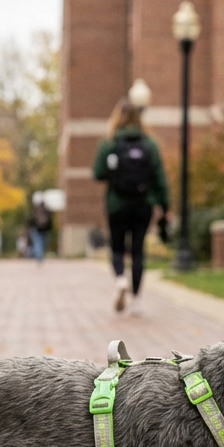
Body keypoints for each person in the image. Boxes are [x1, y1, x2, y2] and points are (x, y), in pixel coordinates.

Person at [93, 98, 170, 315]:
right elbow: (160, 177)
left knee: (117, 248)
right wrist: (165, 205)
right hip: (143, 204)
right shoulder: (149, 144)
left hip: (117, 204)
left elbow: (98, 173)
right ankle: (136, 300)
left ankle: (120, 280)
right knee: (137, 251)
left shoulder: (109, 143)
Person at [28, 195, 52, 263]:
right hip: (45, 229)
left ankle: (39, 256)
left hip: (37, 228)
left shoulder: (36, 209)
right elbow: (50, 219)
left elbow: (32, 219)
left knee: (37, 243)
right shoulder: (47, 210)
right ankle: (40, 256)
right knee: (43, 243)